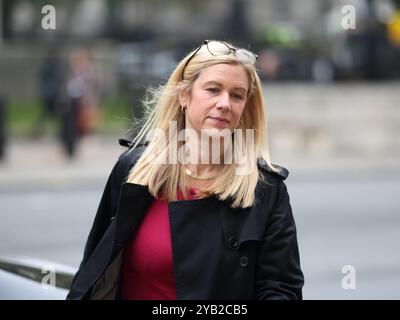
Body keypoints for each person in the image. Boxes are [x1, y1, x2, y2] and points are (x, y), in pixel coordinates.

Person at [67, 40, 304, 300]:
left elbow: (281, 289)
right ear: (184, 95)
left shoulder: (265, 190)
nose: (225, 103)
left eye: (237, 95)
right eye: (213, 90)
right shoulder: (135, 170)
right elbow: (94, 270)